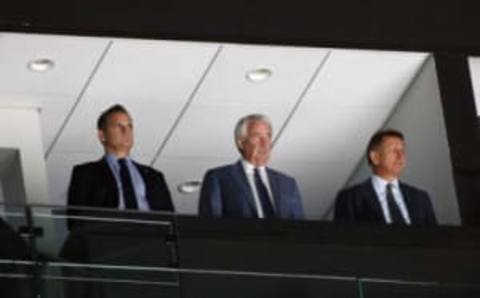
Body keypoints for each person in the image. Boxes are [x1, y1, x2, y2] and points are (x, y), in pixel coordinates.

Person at [66, 104, 174, 230]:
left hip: (151, 242)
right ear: (102, 136)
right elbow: (75, 221)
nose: (126, 131)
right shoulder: (85, 173)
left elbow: (171, 222)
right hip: (108, 241)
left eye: (130, 126)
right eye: (119, 126)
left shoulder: (154, 176)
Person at [198, 114, 304, 219]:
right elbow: (211, 226)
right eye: (257, 137)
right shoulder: (219, 178)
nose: (265, 143)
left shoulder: (288, 184)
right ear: (241, 143)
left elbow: (300, 229)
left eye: (268, 136)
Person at [334, 129, 437, 226]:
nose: (400, 156)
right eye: (393, 150)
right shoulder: (350, 198)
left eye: (403, 151)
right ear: (375, 157)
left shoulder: (421, 198)